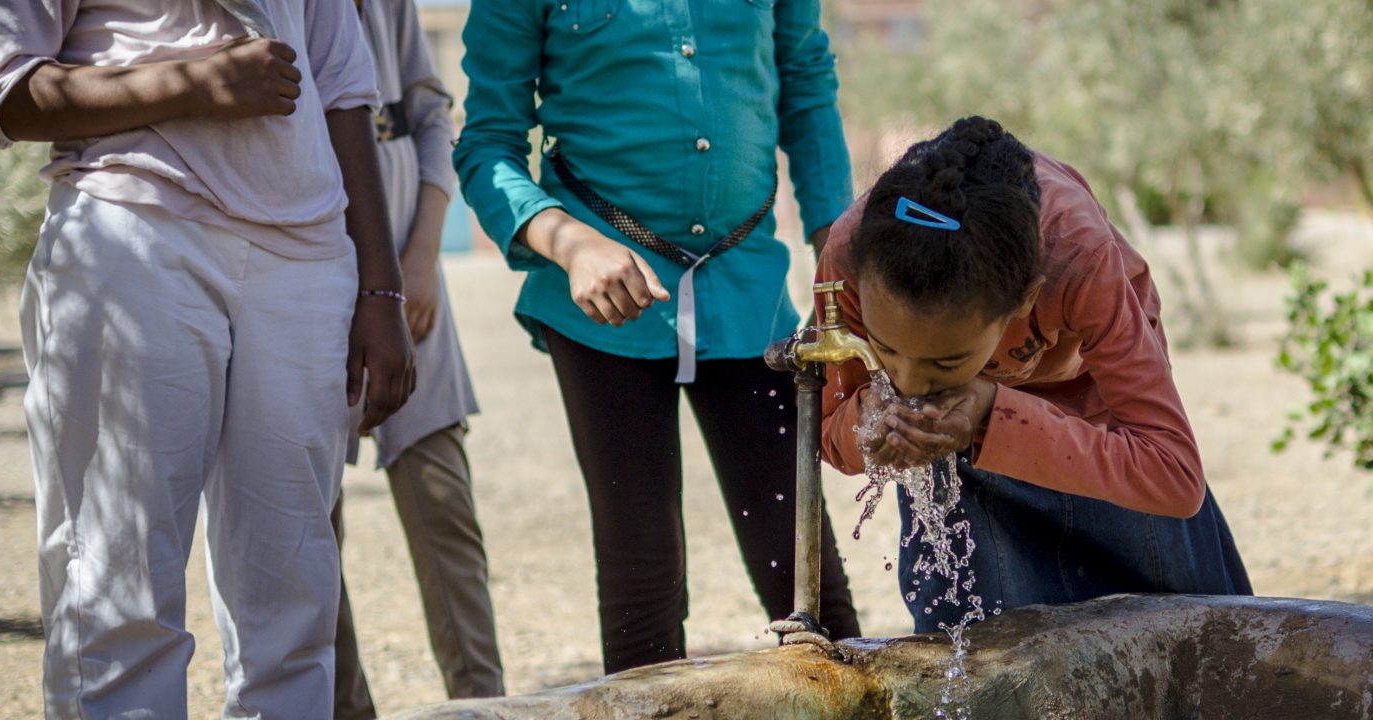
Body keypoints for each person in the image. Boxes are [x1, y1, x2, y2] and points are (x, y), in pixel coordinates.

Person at [0, 0, 415, 716]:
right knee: (118, 585)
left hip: (305, 256)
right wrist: (195, 85)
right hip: (135, 228)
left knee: (294, 597)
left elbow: (343, 88)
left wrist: (380, 287)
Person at [453, 0, 860, 673]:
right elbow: (487, 144)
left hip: (749, 295)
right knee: (640, 568)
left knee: (804, 572)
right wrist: (572, 244)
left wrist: (839, 252)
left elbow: (808, 90)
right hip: (602, 311)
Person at [816, 117, 1253, 632]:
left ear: (1024, 301)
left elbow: (1173, 477)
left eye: (946, 361)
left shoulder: (1076, 254)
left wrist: (990, 413)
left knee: (1188, 643)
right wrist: (868, 425)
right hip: (965, 442)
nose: (909, 386)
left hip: (1096, 423)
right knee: (975, 666)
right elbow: (828, 434)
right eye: (888, 352)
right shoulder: (855, 255)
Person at [330, 0, 501, 716]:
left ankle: (484, 707)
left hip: (409, 273)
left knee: (443, 508)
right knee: (305, 524)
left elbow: (430, 117)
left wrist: (421, 258)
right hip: (305, 268)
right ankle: (341, 708)